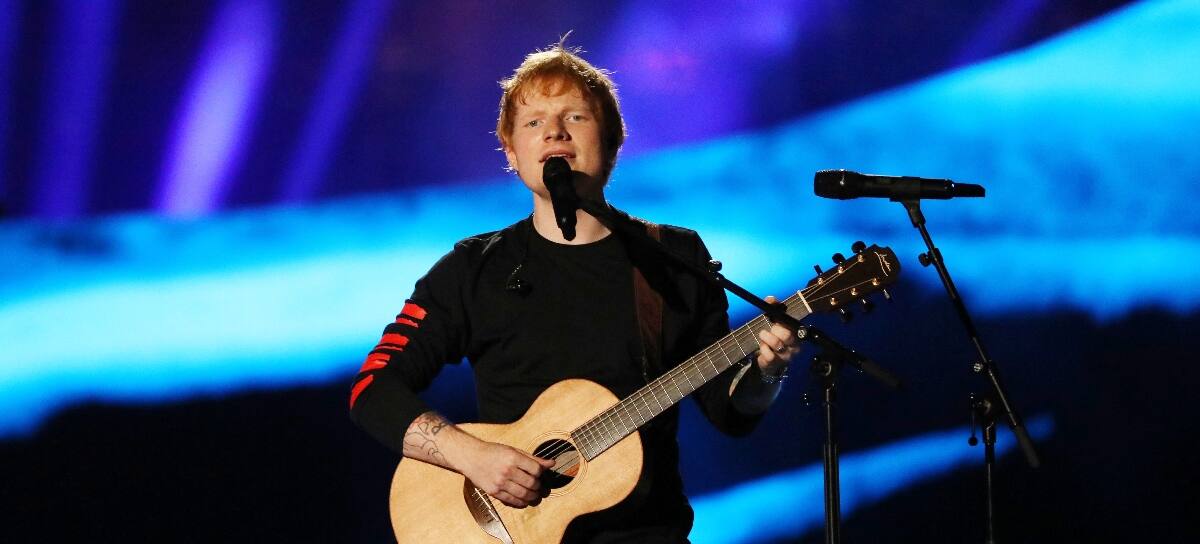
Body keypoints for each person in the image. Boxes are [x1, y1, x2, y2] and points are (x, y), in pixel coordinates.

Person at [349, 40, 799, 543]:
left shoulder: (673, 257)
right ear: (512, 153)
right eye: (534, 122)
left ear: (611, 140)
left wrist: (768, 370)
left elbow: (731, 413)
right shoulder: (473, 269)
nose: (555, 131)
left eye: (575, 117)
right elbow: (374, 390)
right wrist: (473, 456)